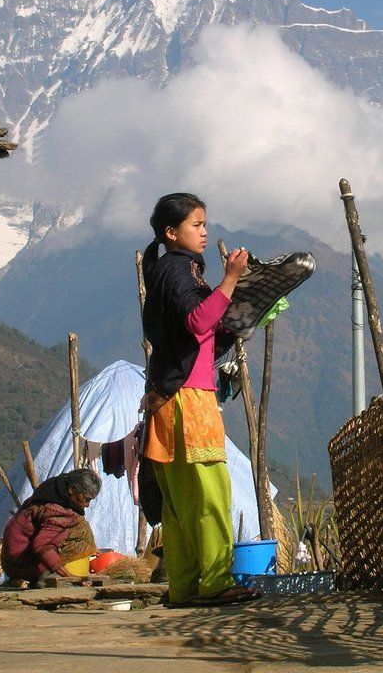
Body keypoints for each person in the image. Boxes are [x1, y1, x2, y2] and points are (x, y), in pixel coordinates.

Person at [140, 192, 260, 606]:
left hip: (166, 399)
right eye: (196, 225)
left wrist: (241, 314)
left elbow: (204, 333)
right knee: (210, 492)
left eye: (204, 224)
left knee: (180, 501)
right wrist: (231, 279)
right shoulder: (178, 269)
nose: (205, 232)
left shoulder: (168, 271)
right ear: (172, 233)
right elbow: (197, 321)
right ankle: (215, 581)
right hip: (188, 399)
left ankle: (185, 585)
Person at [1, 469, 101, 586]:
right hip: (23, 563)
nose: (87, 505)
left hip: (10, 562)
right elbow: (42, 546)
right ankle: (43, 578)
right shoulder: (58, 511)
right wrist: (69, 576)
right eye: (87, 499)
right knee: (80, 527)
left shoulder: (43, 496)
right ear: (72, 490)